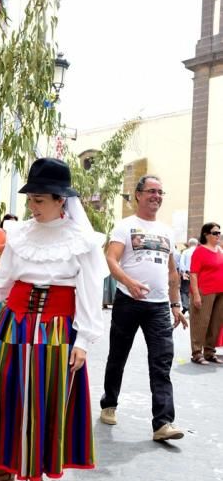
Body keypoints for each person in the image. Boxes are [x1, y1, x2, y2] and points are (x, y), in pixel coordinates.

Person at [0, 158, 106, 481]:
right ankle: (2, 470)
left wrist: (84, 342)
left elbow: (89, 294)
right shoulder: (20, 235)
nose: (32, 206)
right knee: (5, 397)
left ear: (61, 200)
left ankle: (36, 478)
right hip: (12, 326)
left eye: (40, 200)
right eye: (30, 199)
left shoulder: (82, 241)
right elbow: (4, 281)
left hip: (56, 331)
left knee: (43, 402)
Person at [100, 174, 188, 441]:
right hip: (128, 301)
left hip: (159, 307)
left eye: (161, 193)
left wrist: (176, 305)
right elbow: (111, 259)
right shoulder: (125, 226)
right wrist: (129, 281)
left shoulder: (166, 231)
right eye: (151, 191)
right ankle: (109, 403)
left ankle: (162, 423)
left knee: (162, 363)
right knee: (118, 356)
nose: (156, 197)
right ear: (138, 195)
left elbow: (172, 272)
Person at [189, 222, 223, 365]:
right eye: (215, 233)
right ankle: (197, 353)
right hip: (204, 291)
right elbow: (193, 274)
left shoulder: (220, 250)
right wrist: (196, 294)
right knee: (200, 322)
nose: (218, 235)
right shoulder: (199, 251)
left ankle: (209, 352)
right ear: (206, 234)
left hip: (220, 291)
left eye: (219, 232)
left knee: (215, 323)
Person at [0, 213, 19, 321]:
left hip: (12, 269)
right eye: (10, 222)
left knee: (9, 295)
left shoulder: (15, 234)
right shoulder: (0, 232)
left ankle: (4, 321)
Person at [179, 237, 198, 314]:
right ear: (196, 244)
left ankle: (186, 306)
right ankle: (193, 307)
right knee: (195, 290)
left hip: (187, 273)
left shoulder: (185, 252)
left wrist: (183, 272)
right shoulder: (198, 251)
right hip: (197, 274)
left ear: (189, 244)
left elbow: (182, 263)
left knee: (184, 290)